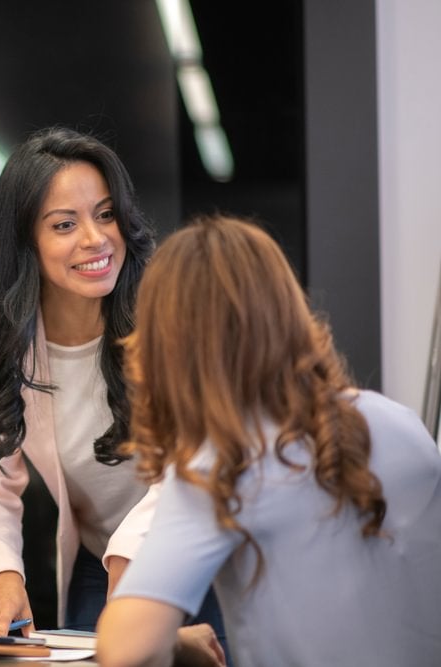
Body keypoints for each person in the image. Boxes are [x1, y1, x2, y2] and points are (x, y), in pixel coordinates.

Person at [97, 215, 441, 666]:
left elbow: (126, 650)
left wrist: (178, 643)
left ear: (168, 347)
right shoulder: (401, 425)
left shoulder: (222, 468)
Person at [0, 126, 225, 643]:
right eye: (63, 224)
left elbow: (196, 462)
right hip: (99, 565)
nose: (95, 238)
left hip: (198, 557)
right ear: (26, 240)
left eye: (105, 214)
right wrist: (2, 577)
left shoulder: (170, 316)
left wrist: (129, 559)